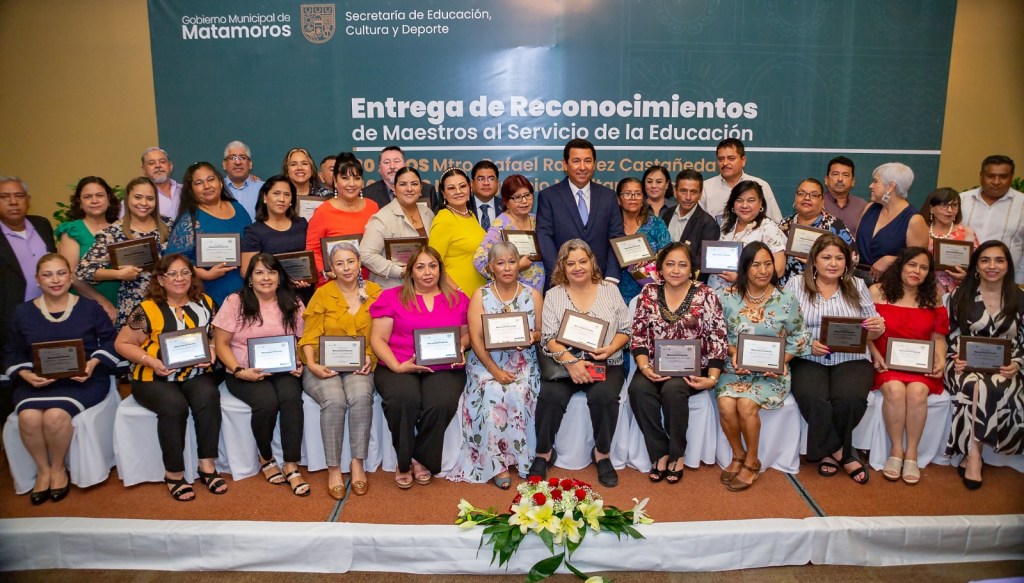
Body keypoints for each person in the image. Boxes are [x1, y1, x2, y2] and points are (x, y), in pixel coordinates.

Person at [4, 254, 119, 504]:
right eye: (47, 275)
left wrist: (92, 364)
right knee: (28, 416)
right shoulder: (22, 312)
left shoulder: (90, 308)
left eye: (61, 273)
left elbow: (111, 340)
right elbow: (11, 351)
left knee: (56, 415)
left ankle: (57, 469)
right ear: (37, 279)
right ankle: (42, 471)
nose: (55, 280)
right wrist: (25, 374)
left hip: (83, 380)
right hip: (37, 381)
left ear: (70, 276)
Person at [114, 254, 224, 501]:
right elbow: (122, 344)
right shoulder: (146, 309)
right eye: (172, 274)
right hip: (153, 376)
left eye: (185, 272)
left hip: (195, 372)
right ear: (161, 280)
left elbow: (217, 334)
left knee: (208, 396)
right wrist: (151, 361)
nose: (179, 278)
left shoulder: (205, 303)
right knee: (174, 407)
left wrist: (213, 349)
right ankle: (173, 473)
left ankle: (207, 465)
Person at [531, 239, 631, 487]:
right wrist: (572, 363)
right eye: (570, 262)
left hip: (606, 361)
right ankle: (544, 453)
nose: (577, 267)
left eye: (582, 261)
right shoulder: (554, 295)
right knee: (550, 397)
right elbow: (548, 339)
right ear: (562, 267)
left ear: (592, 262)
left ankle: (602, 453)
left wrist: (611, 348)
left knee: (604, 397)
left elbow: (627, 330)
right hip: (564, 365)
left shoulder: (610, 289)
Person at [785, 235, 883, 484]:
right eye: (826, 257)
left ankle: (828, 453)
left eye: (839, 258)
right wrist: (807, 344)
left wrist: (877, 328)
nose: (833, 263)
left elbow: (873, 328)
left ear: (847, 261)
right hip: (808, 356)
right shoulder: (796, 284)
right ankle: (844, 453)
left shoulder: (858, 285)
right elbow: (782, 325)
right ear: (814, 260)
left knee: (849, 397)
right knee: (814, 397)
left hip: (851, 357)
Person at [369, 245, 469, 489]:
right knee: (403, 399)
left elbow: (466, 335)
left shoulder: (458, 298)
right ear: (410, 271)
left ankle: (420, 457)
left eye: (433, 266)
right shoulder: (391, 297)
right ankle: (403, 463)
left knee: (442, 402)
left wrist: (460, 349)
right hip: (398, 363)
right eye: (420, 267)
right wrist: (397, 366)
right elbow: (378, 339)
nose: (427, 272)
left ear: (440, 270)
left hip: (444, 365)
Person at [628, 242, 727, 483]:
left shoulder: (706, 295)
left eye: (682, 265)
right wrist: (644, 367)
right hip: (654, 363)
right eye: (670, 264)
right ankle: (659, 452)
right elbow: (638, 334)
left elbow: (718, 337)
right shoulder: (649, 293)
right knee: (638, 390)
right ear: (660, 268)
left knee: (673, 391)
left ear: (692, 269)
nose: (675, 270)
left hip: (691, 367)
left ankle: (677, 454)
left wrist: (712, 378)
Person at [213, 253, 309, 497]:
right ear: (249, 278)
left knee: (291, 401)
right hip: (244, 369)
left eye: (271, 272)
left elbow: (303, 339)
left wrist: (300, 361)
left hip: (282, 368)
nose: (266, 278)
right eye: (259, 272)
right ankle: (266, 457)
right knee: (266, 403)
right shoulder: (235, 302)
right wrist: (238, 371)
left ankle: (290, 463)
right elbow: (221, 344)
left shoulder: (293, 302)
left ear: (279, 276)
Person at [717, 242, 810, 492]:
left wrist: (781, 362)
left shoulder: (786, 299)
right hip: (735, 366)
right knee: (726, 404)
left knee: (746, 405)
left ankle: (752, 461)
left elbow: (799, 337)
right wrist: (734, 353)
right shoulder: (727, 296)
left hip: (772, 371)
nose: (763, 270)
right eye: (756, 264)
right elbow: (717, 333)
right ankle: (737, 454)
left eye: (768, 264)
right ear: (745, 267)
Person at [449, 241, 543, 488]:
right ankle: (498, 464)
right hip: (486, 364)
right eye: (500, 263)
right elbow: (476, 338)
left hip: (523, 362)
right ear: (490, 267)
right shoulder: (481, 296)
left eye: (512, 261)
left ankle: (523, 458)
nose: (507, 267)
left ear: (519, 265)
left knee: (520, 391)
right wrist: (493, 370)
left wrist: (530, 337)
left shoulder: (532, 295)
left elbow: (541, 332)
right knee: (491, 392)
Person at [298, 242, 381, 499]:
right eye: (339, 263)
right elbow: (309, 337)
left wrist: (372, 356)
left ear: (359, 263)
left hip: (361, 363)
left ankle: (357, 464)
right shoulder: (322, 294)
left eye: (350, 261)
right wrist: (312, 365)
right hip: (323, 364)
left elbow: (382, 334)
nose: (346, 268)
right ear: (331, 268)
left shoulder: (376, 292)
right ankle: (334, 469)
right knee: (334, 400)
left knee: (359, 397)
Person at [944, 242, 1024, 490]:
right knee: (973, 384)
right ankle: (975, 457)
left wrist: (1018, 363)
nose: (992, 266)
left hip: (1006, 365)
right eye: (985, 260)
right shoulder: (961, 295)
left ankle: (971, 453)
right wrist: (957, 357)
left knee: (997, 385)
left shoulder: (1020, 297)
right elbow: (949, 334)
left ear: (1008, 265)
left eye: (999, 260)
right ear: (976, 265)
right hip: (963, 362)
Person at [868, 247, 948, 485]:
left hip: (920, 364)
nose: (917, 271)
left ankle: (911, 453)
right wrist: (874, 354)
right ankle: (896, 451)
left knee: (916, 392)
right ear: (901, 265)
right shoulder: (876, 292)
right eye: (912, 265)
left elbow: (939, 336)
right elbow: (865, 331)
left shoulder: (933, 295)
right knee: (894, 390)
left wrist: (941, 359)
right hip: (885, 361)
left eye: (924, 268)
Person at [78, 177, 173, 328]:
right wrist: (118, 274)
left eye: (150, 198)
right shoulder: (113, 232)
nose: (144, 203)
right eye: (137, 197)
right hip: (135, 308)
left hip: (171, 302)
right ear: (127, 198)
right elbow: (84, 271)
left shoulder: (169, 225)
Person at [537, 139, 626, 285]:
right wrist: (559, 276)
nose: (583, 167)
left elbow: (616, 237)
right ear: (565, 164)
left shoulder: (608, 196)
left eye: (588, 161)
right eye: (576, 161)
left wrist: (611, 277)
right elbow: (545, 238)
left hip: (601, 282)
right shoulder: (549, 196)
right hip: (562, 283)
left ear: (594, 164)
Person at [166, 162, 252, 306]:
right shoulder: (190, 219)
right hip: (208, 295)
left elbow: (252, 243)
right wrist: (205, 275)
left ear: (220, 181)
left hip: (246, 293)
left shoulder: (238, 208)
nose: (207, 186)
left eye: (211, 179)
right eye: (199, 183)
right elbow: (171, 262)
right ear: (191, 190)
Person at [306, 153, 379, 286]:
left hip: (367, 284)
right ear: (335, 180)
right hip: (333, 283)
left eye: (356, 178)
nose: (351, 184)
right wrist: (326, 270)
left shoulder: (372, 207)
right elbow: (312, 251)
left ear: (362, 181)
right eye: (345, 178)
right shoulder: (323, 212)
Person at [55, 176, 121, 320]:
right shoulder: (73, 231)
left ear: (109, 199)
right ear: (79, 202)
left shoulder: (120, 228)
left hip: (123, 303)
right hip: (87, 305)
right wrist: (103, 303)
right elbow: (71, 276)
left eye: (100, 195)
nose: (94, 201)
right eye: (87, 197)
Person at [360, 167, 435, 289]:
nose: (409, 189)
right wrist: (400, 271)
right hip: (392, 289)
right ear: (394, 189)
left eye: (414, 184)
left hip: (423, 288)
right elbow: (365, 254)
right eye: (403, 184)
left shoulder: (428, 213)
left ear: (421, 188)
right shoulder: (382, 218)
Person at [240, 175, 312, 303]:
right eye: (276, 193)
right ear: (265, 197)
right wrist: (283, 280)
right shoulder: (254, 231)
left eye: (286, 194)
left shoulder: (302, 224)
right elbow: (246, 271)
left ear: (292, 200)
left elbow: (310, 258)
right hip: (270, 298)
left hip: (304, 295)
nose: (281, 199)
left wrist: (307, 278)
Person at [708, 180, 787, 293]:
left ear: (760, 204)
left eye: (751, 200)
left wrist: (740, 279)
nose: (744, 205)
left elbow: (779, 270)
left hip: (748, 296)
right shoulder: (725, 225)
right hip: (717, 293)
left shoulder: (768, 228)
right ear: (733, 204)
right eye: (739, 200)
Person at [855, 163, 929, 282]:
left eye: (875, 181)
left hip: (890, 285)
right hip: (856, 281)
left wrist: (891, 260)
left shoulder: (914, 219)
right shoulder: (869, 208)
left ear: (891, 187)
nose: (870, 186)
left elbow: (920, 260)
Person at [472, 174, 545, 291]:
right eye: (517, 197)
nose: (524, 201)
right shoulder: (501, 224)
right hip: (511, 293)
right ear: (506, 202)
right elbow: (479, 260)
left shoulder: (536, 220)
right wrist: (516, 267)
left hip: (538, 292)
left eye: (527, 195)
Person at [778, 178, 856, 285]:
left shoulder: (833, 225)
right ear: (795, 198)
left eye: (814, 195)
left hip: (821, 287)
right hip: (786, 288)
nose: (806, 198)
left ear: (822, 201)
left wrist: (819, 263)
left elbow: (853, 259)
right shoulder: (785, 224)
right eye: (801, 193)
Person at [959, 155, 1024, 284]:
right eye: (990, 176)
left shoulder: (1022, 204)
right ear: (981, 176)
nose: (996, 181)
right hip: (963, 278)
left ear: (1011, 177)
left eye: (1003, 177)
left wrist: (1019, 280)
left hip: (1006, 282)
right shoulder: (961, 200)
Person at [429, 167, 487, 295]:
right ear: (443, 193)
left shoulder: (470, 214)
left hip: (478, 292)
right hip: (457, 295)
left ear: (470, 188)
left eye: (462, 186)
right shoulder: (443, 219)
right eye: (451, 188)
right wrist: (458, 292)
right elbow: (433, 263)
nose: (458, 191)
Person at [700, 139, 783, 224]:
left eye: (731, 158)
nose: (725, 163)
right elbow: (697, 225)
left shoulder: (761, 185)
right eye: (720, 159)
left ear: (743, 161)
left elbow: (776, 223)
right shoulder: (705, 188)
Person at [616, 177, 671, 305]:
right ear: (619, 199)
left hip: (649, 292)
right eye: (627, 194)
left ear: (643, 198)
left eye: (637, 193)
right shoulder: (611, 225)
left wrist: (651, 259)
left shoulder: (656, 223)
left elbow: (667, 257)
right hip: (616, 291)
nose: (633, 197)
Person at [920, 187, 979, 295]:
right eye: (944, 205)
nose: (950, 210)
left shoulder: (967, 232)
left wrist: (966, 276)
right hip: (923, 288)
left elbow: (978, 264)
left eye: (954, 205)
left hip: (957, 291)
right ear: (931, 208)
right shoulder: (921, 229)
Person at [665, 170, 719, 280]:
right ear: (675, 191)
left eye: (693, 192)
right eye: (683, 191)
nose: (688, 197)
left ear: (700, 194)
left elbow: (703, 265)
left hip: (690, 286)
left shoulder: (708, 224)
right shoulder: (667, 214)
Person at [363, 146, 439, 211]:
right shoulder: (368, 194)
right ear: (379, 168)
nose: (392, 166)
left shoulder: (427, 190)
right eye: (386, 162)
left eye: (396, 161)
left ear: (405, 165)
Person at [823, 156, 868, 235]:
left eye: (845, 175)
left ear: (853, 181)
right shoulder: (816, 203)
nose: (840, 179)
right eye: (835, 174)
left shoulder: (863, 206)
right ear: (826, 180)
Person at [222, 140, 263, 219]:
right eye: (232, 158)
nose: (238, 162)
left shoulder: (264, 188)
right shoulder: (217, 189)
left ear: (250, 164)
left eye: (242, 157)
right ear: (224, 164)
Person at [140, 147, 181, 218]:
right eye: (152, 163)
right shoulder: (137, 198)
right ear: (144, 169)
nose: (158, 166)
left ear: (170, 166)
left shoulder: (186, 190)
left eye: (162, 162)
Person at [468, 160, 504, 231]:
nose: (486, 183)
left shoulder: (506, 207)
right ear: (471, 184)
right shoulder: (464, 207)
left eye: (491, 179)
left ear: (497, 183)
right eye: (481, 179)